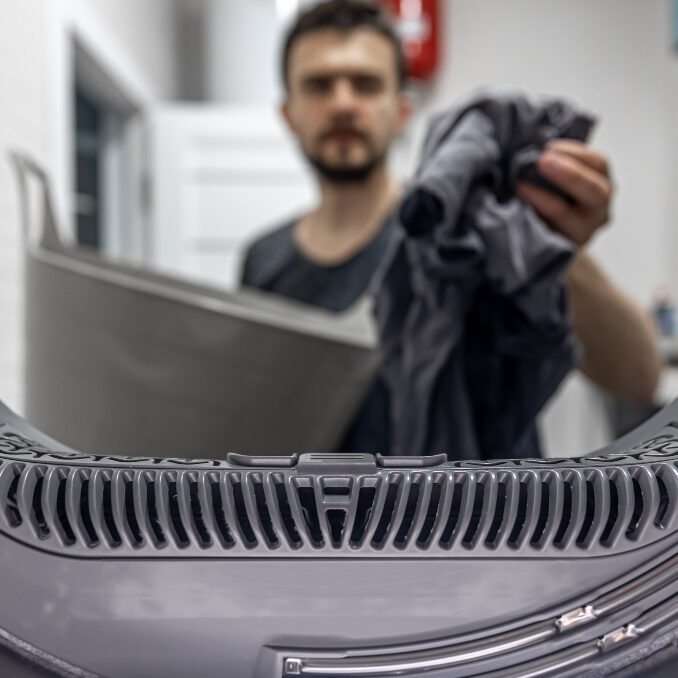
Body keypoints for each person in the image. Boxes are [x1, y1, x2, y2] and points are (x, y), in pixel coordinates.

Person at [241, 0, 662, 455]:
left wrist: (549, 245)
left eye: (366, 85)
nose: (343, 103)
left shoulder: (465, 229)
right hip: (329, 523)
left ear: (402, 110)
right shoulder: (263, 260)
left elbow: (639, 376)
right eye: (319, 85)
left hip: (479, 521)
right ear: (288, 113)